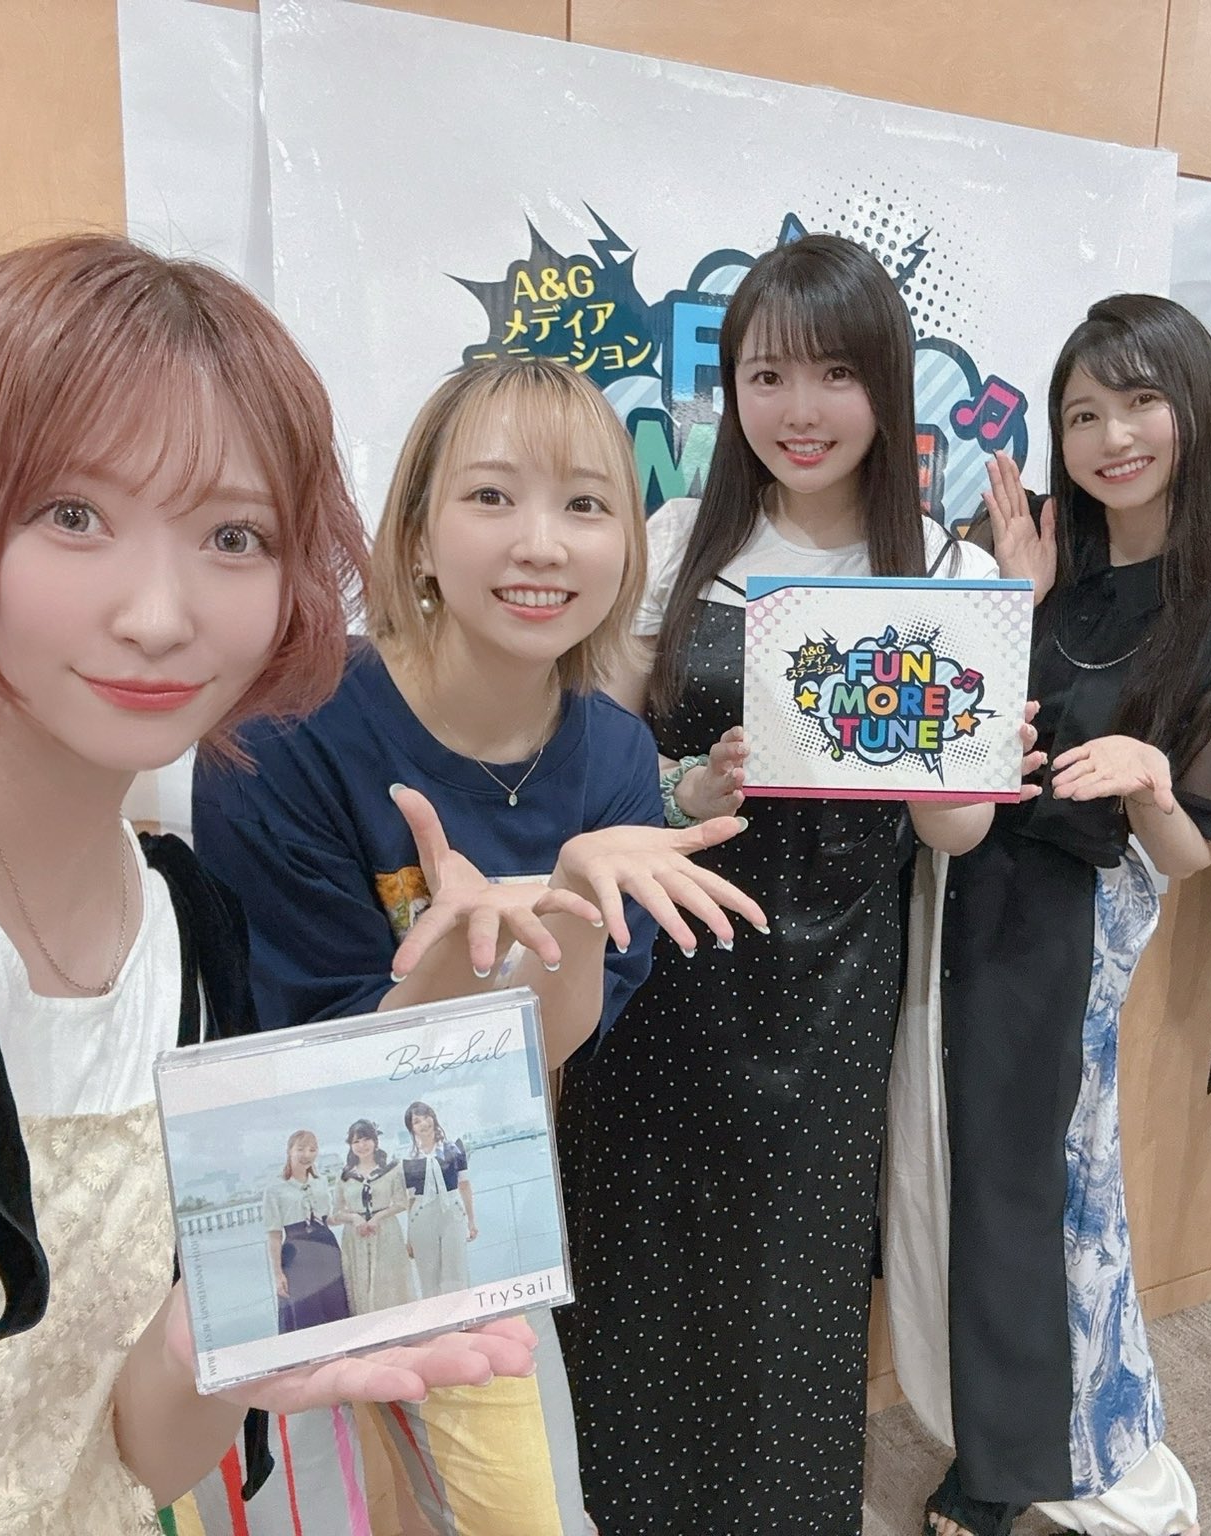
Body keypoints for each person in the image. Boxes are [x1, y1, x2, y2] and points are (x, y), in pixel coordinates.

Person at [0, 236, 539, 1536]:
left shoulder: (185, 928)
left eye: (233, 536)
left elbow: (134, 1457)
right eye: (73, 515)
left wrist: (226, 1336)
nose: (160, 614)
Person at [192, 355, 768, 1536]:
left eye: (585, 505)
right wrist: (468, 944)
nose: (540, 545)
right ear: (416, 535)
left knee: (532, 1516)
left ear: (626, 549)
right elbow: (314, 1061)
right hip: (271, 1201)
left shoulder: (615, 758)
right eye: (492, 496)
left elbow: (546, 1048)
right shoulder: (281, 735)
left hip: (455, 1198)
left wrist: (566, 909)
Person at [557, 232, 1021, 1535]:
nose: (799, 410)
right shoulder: (670, 540)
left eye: (833, 374)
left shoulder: (950, 574)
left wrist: (955, 747)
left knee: (789, 1294)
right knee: (635, 1268)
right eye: (767, 376)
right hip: (657, 974)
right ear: (731, 390)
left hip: (831, 991)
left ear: (885, 384)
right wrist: (683, 785)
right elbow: (603, 757)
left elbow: (955, 834)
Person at [900, 295, 1211, 1536]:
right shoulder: (1035, 557)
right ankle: (989, 1418)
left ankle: (1010, 1463)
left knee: (1021, 1181)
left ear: (1198, 412)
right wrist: (1006, 600)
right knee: (941, 1167)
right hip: (943, 881)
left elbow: (1189, 856)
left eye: (1138, 402)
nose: (1110, 437)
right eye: (1081, 414)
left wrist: (1148, 781)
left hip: (1064, 919)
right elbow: (951, 713)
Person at [268, 1130, 353, 1331]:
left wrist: (352, 1217)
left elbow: (326, 1217)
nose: (307, 1154)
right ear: (289, 1150)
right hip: (297, 1254)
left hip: (326, 1248)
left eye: (312, 1150)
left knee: (334, 1304)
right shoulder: (275, 1188)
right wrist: (278, 1274)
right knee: (305, 1309)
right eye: (301, 1149)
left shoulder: (320, 1181)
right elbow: (274, 1235)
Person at [337, 1119, 415, 1313]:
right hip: (356, 1236)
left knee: (389, 1283)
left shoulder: (392, 1170)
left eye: (366, 1140)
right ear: (350, 1145)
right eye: (356, 1141)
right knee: (361, 1286)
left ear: (375, 1141)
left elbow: (401, 1203)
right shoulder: (345, 1176)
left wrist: (377, 1218)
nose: (362, 1146)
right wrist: (355, 1219)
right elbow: (336, 1211)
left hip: (386, 1231)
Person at [402, 1101, 475, 1295]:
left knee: (456, 1272)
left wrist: (471, 1221)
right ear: (411, 1128)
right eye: (417, 1121)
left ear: (433, 1118)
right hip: (422, 1217)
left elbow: (464, 1184)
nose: (423, 1123)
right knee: (428, 1276)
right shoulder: (409, 1159)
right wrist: (409, 1238)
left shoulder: (454, 1148)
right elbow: (410, 1199)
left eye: (426, 1117)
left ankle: (462, 1312)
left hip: (453, 1212)